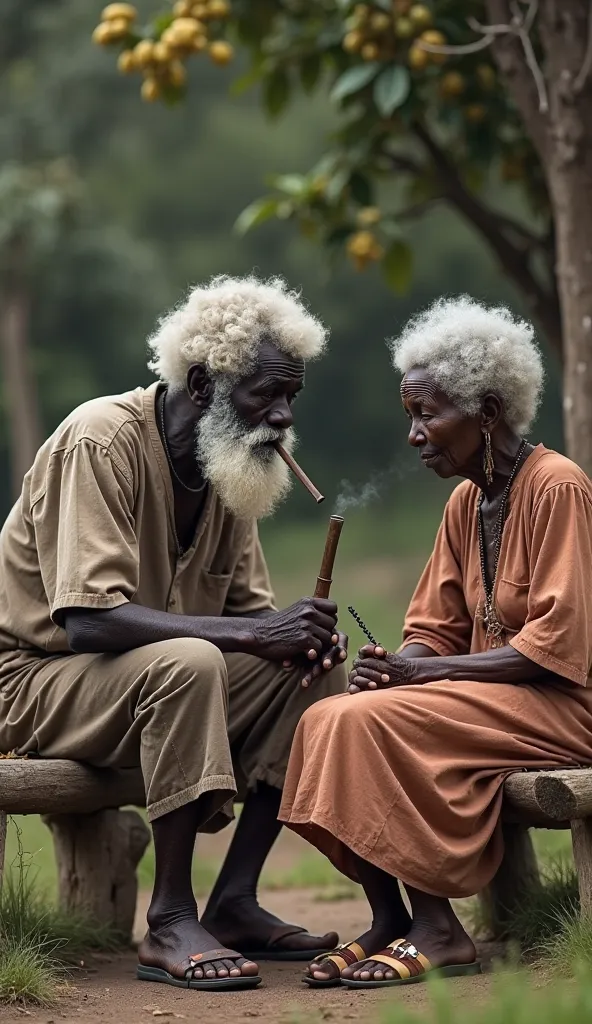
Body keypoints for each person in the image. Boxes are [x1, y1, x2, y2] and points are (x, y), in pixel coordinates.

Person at [0, 274, 349, 992]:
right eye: (265, 395)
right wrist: (252, 637)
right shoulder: (100, 440)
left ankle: (236, 900)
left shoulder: (231, 469)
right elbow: (90, 619)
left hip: (138, 685)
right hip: (32, 679)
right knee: (190, 662)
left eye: (291, 398)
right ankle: (170, 918)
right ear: (200, 384)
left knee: (307, 672)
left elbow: (253, 624)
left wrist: (296, 639)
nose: (281, 417)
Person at [279, 295, 592, 990]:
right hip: (493, 701)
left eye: (428, 414)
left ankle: (441, 929)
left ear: (486, 411)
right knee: (332, 716)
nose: (415, 434)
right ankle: (392, 918)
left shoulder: (558, 487)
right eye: (410, 417)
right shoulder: (465, 503)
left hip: (563, 707)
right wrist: (399, 666)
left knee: (376, 723)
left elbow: (554, 648)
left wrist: (426, 679)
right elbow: (431, 630)